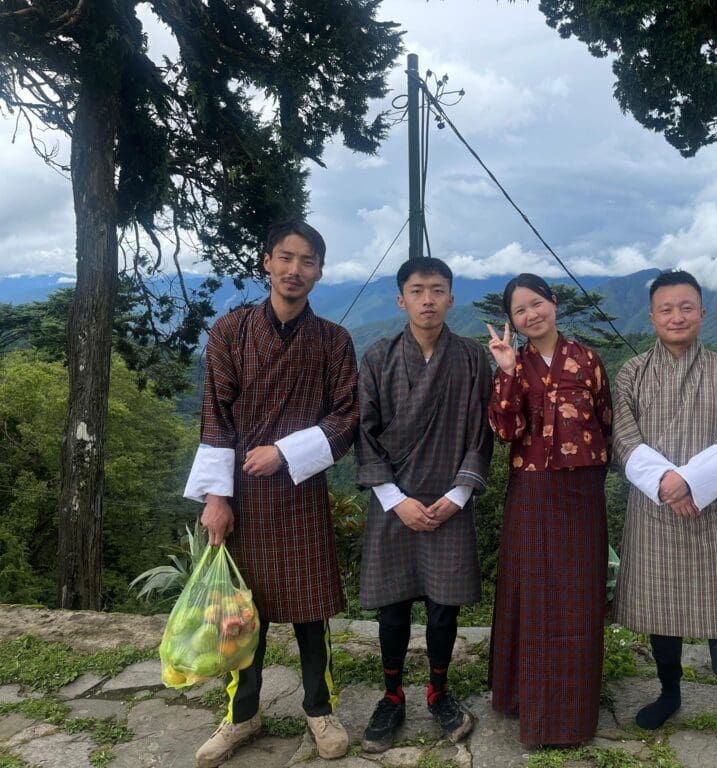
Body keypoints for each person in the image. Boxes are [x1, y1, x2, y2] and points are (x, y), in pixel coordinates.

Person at [183, 219, 359, 768]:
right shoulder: (231, 331)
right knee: (240, 610)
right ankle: (242, 714)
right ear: (267, 262)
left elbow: (347, 418)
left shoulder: (333, 340)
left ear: (320, 271)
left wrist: (284, 452)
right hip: (243, 495)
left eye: (307, 261)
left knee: (311, 609)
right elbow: (215, 416)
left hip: (301, 491)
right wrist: (216, 498)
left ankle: (320, 709)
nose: (295, 270)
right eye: (286, 257)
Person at [612, 269, 717, 767]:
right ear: (652, 316)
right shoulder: (632, 374)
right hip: (654, 512)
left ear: (702, 313)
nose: (676, 316)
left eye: (686, 307)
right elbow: (623, 438)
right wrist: (667, 484)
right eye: (666, 308)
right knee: (662, 612)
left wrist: (689, 483)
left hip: (708, 512)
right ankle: (670, 693)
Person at [356, 257, 493, 753]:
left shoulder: (473, 358)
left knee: (442, 610)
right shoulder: (378, 357)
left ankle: (438, 692)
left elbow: (482, 432)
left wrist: (457, 496)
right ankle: (392, 695)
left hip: (448, 501)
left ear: (451, 298)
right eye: (417, 291)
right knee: (392, 610)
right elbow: (364, 433)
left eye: (437, 290)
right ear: (401, 300)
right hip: (393, 503)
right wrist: (397, 501)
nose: (428, 300)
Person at [485, 274, 612, 746]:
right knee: (532, 593)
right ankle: (526, 701)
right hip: (532, 491)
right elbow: (504, 431)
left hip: (582, 493)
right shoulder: (514, 364)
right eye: (519, 310)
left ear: (554, 303)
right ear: (511, 320)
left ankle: (573, 711)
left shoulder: (588, 360)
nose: (530, 314)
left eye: (536, 303)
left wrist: (591, 474)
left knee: (580, 596)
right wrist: (505, 371)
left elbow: (606, 422)